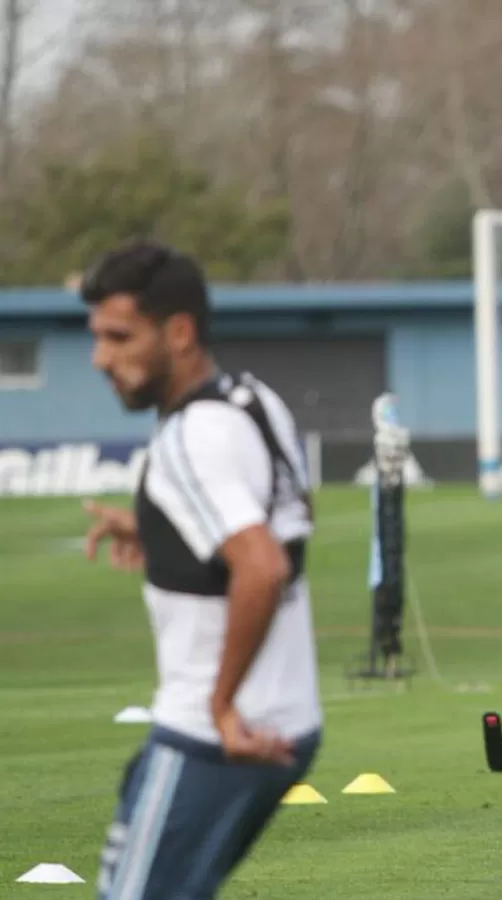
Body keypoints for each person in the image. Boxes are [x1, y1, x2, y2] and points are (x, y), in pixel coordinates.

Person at [79, 241, 323, 899]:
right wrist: (157, 530)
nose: (102, 358)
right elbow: (289, 521)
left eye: (119, 337)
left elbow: (262, 567)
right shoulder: (254, 401)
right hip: (289, 722)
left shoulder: (190, 437)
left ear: (178, 331)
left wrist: (219, 708)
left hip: (215, 736)